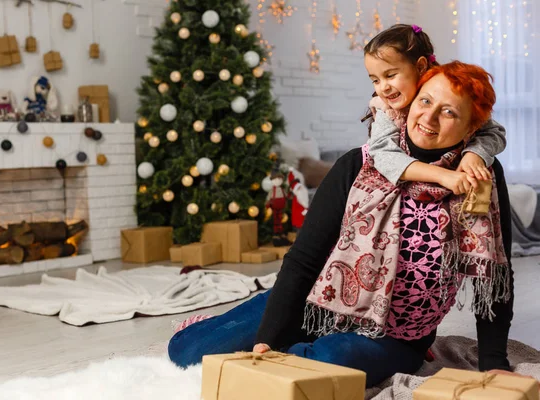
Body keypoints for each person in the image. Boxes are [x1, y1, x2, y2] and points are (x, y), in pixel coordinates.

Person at [168, 61, 514, 388]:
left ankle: (308, 348)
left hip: (396, 335)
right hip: (316, 304)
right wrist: (268, 340)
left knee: (332, 359)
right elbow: (304, 258)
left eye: (449, 111)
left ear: (472, 129)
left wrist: (494, 362)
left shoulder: (480, 179)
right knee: (187, 353)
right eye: (425, 100)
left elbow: (495, 279)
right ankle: (258, 324)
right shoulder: (358, 165)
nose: (429, 116)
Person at [363, 24, 506, 196]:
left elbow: (493, 131)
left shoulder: (448, 89)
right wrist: (443, 176)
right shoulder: (387, 111)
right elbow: (384, 156)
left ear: (421, 66)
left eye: (390, 75)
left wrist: (475, 154)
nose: (383, 88)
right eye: (375, 80)